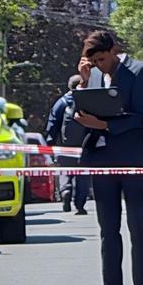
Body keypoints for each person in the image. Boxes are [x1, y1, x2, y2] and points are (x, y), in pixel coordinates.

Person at [74, 30, 143, 285]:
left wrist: (106, 126)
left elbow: (140, 114)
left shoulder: (139, 71)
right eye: (93, 61)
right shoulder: (92, 75)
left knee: (138, 227)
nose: (99, 64)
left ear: (113, 51)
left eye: (102, 59)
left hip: (131, 156)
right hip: (102, 158)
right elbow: (78, 115)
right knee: (108, 229)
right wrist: (84, 83)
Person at [45, 74, 90, 214]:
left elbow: (53, 123)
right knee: (83, 174)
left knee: (66, 171)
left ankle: (66, 191)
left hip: (65, 146)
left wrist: (50, 142)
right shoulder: (89, 101)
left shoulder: (62, 102)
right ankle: (80, 204)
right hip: (85, 145)